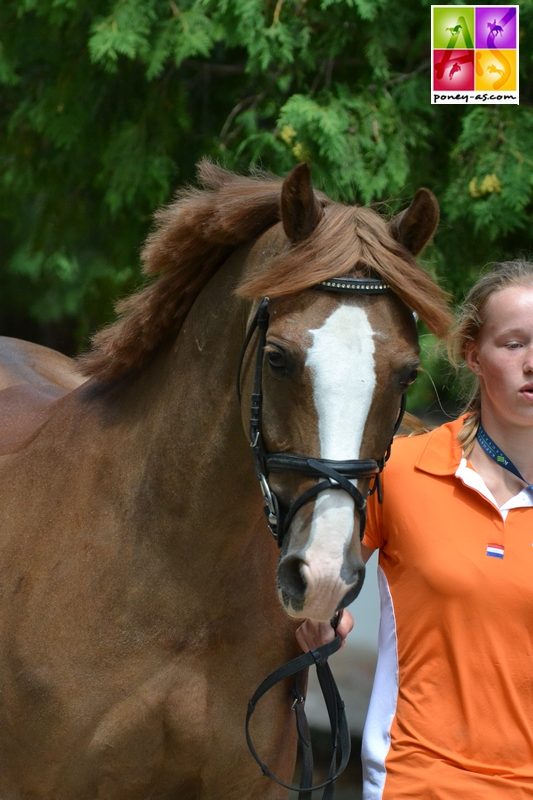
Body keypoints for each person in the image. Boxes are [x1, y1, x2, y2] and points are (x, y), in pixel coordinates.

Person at [296, 260, 533, 799]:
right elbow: (312, 579)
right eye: (514, 344)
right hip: (419, 780)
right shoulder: (402, 470)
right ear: (472, 353)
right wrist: (318, 617)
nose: (532, 363)